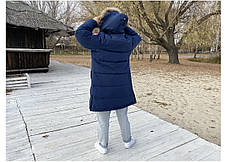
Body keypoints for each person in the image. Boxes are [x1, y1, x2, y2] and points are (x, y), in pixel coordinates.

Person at [75, 7, 141, 154]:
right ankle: (128, 141)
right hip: (122, 88)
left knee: (103, 120)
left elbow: (80, 33)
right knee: (123, 116)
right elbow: (137, 36)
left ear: (103, 21)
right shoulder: (127, 42)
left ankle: (103, 145)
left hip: (102, 88)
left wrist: (95, 21)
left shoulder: (97, 41)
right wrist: (120, 24)